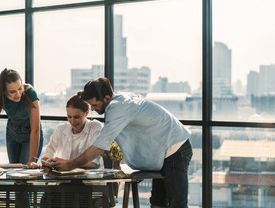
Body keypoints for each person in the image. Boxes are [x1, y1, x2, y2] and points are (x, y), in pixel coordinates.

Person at [50, 77, 193, 208]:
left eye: (94, 105)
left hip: (176, 148)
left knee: (177, 204)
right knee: (158, 202)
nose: (92, 109)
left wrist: (69, 164)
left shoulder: (118, 108)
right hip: (163, 152)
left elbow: (100, 145)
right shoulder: (119, 101)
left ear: (106, 98)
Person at [41, 92, 103, 169]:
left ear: (86, 113)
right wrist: (49, 162)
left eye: (76, 117)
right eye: (69, 116)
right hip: (63, 178)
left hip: (88, 178)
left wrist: (65, 163)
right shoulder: (61, 129)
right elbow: (45, 157)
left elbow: (92, 163)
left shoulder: (95, 127)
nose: (72, 121)